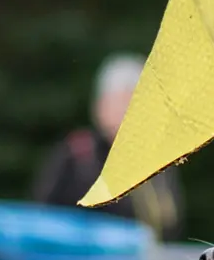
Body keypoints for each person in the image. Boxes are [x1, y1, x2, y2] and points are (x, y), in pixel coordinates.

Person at [32, 53, 182, 235]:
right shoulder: (77, 154)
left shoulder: (157, 163)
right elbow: (43, 218)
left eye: (135, 103)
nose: (127, 113)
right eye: (120, 102)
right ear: (100, 106)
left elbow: (169, 224)